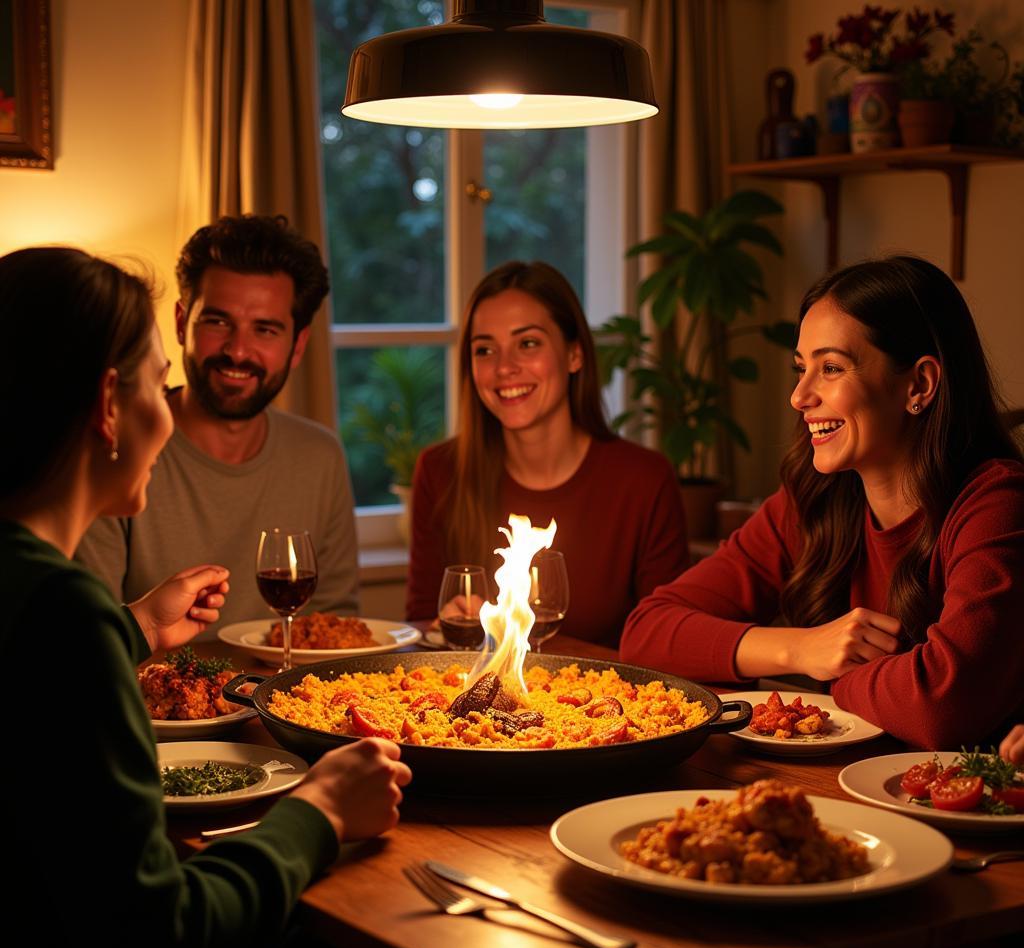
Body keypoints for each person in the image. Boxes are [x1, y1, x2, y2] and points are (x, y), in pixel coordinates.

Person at [1, 247, 411, 948]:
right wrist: (318, 809)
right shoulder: (62, 610)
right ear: (107, 406)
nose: (171, 404)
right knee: (362, 896)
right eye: (160, 380)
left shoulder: (39, 596)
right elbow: (162, 946)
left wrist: (133, 628)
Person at [621, 255, 1024, 750]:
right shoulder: (813, 500)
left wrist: (841, 678)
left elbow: (940, 707)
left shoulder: (996, 504)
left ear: (918, 384)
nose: (799, 396)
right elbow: (647, 633)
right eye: (801, 367)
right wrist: (802, 649)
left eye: (831, 367)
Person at [76, 214, 358, 634]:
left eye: (264, 329)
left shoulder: (320, 455)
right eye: (218, 321)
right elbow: (86, 636)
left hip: (283, 699)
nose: (238, 351)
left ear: (297, 346)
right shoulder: (117, 448)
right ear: (180, 322)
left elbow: (336, 629)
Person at [405, 260, 689, 648]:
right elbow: (419, 626)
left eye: (528, 343)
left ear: (574, 354)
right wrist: (448, 622)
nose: (504, 367)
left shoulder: (644, 481)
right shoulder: (440, 472)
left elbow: (668, 640)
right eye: (485, 349)